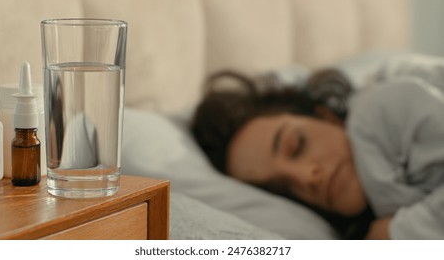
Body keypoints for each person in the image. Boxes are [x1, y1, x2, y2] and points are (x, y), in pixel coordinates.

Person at [190, 59, 444, 240]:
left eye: (297, 145)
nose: (306, 177)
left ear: (327, 116)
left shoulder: (383, 111)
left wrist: (399, 233)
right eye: (284, 189)